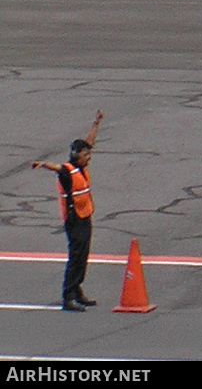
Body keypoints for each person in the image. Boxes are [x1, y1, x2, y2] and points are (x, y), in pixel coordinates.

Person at [31, 111, 103, 311]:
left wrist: (95, 124)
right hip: (74, 220)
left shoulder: (81, 167)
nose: (88, 157)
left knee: (83, 255)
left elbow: (88, 142)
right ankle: (68, 295)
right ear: (76, 156)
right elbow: (56, 168)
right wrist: (43, 164)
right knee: (76, 256)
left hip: (85, 216)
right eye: (85, 154)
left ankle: (77, 289)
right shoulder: (67, 171)